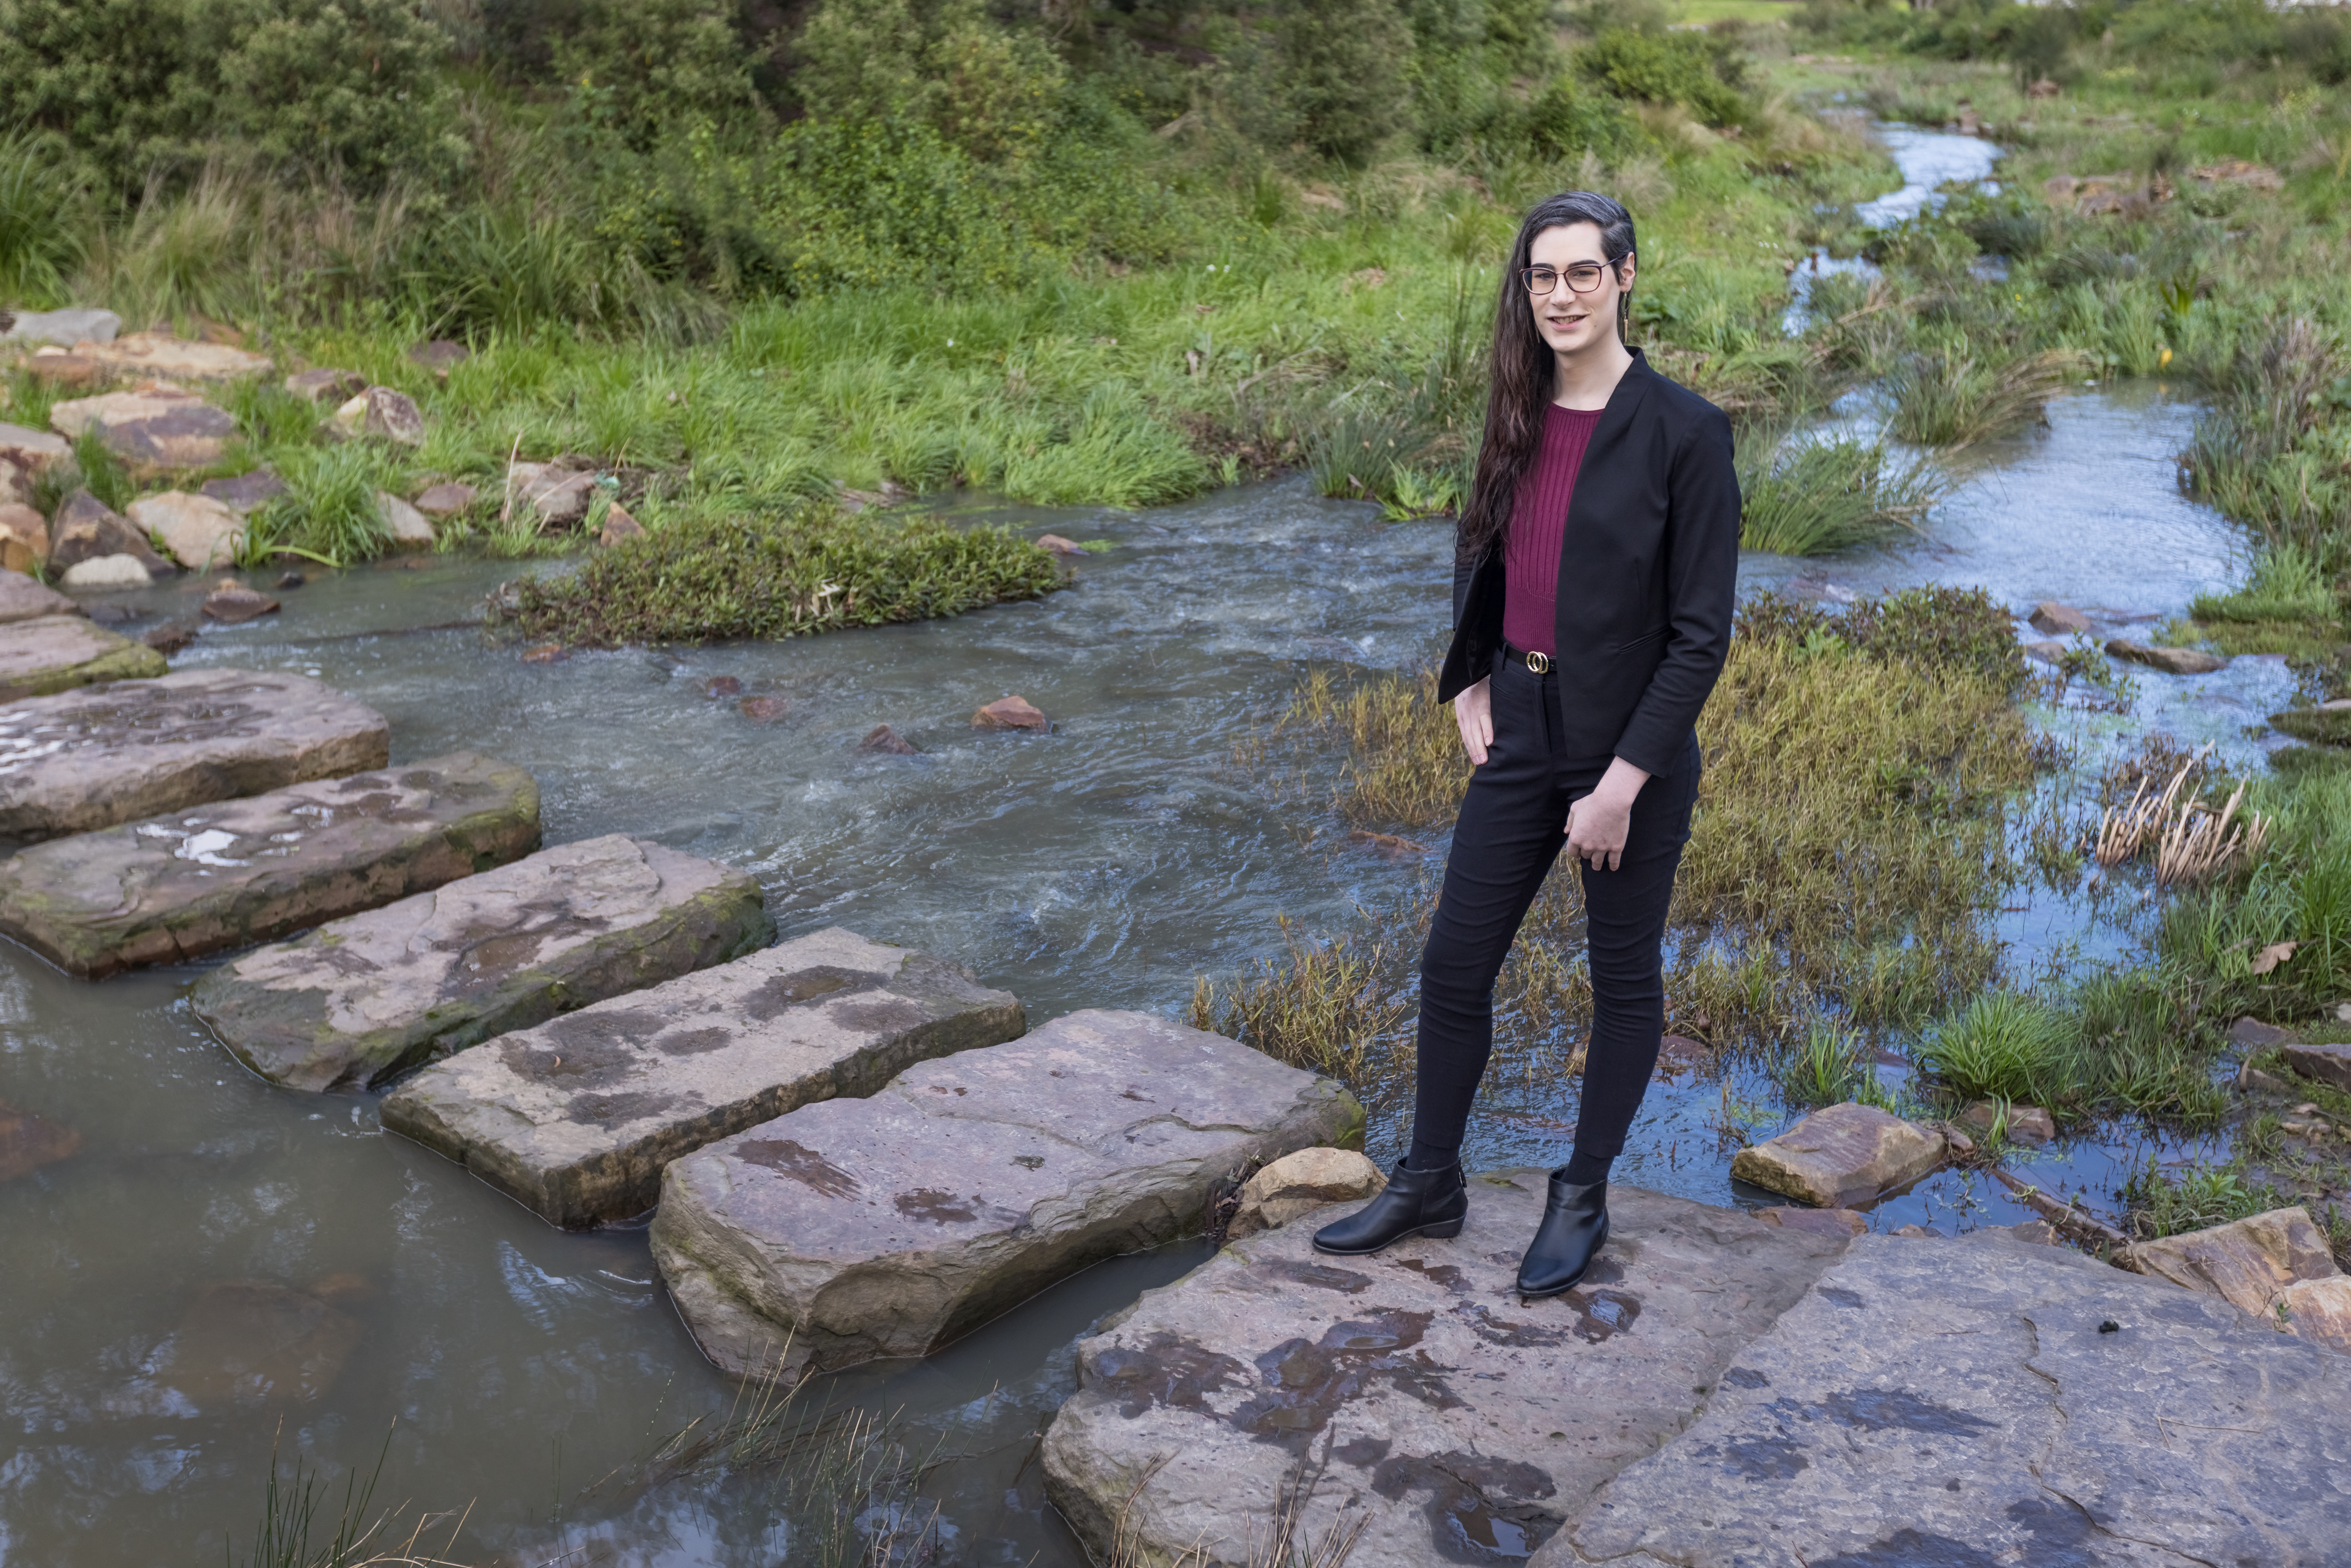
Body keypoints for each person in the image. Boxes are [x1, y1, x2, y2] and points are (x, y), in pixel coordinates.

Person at [1313, 191, 1741, 1296]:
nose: (1559, 295)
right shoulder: (1517, 404)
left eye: (1581, 274)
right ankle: (1431, 1180)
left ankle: (1582, 1193)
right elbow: (1483, 542)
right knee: (1455, 960)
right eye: (1542, 277)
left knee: (1621, 977)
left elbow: (1699, 638)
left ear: (1627, 276)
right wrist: (1467, 675)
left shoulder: (1686, 432)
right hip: (1521, 725)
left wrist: (1624, 783)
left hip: (1624, 752)